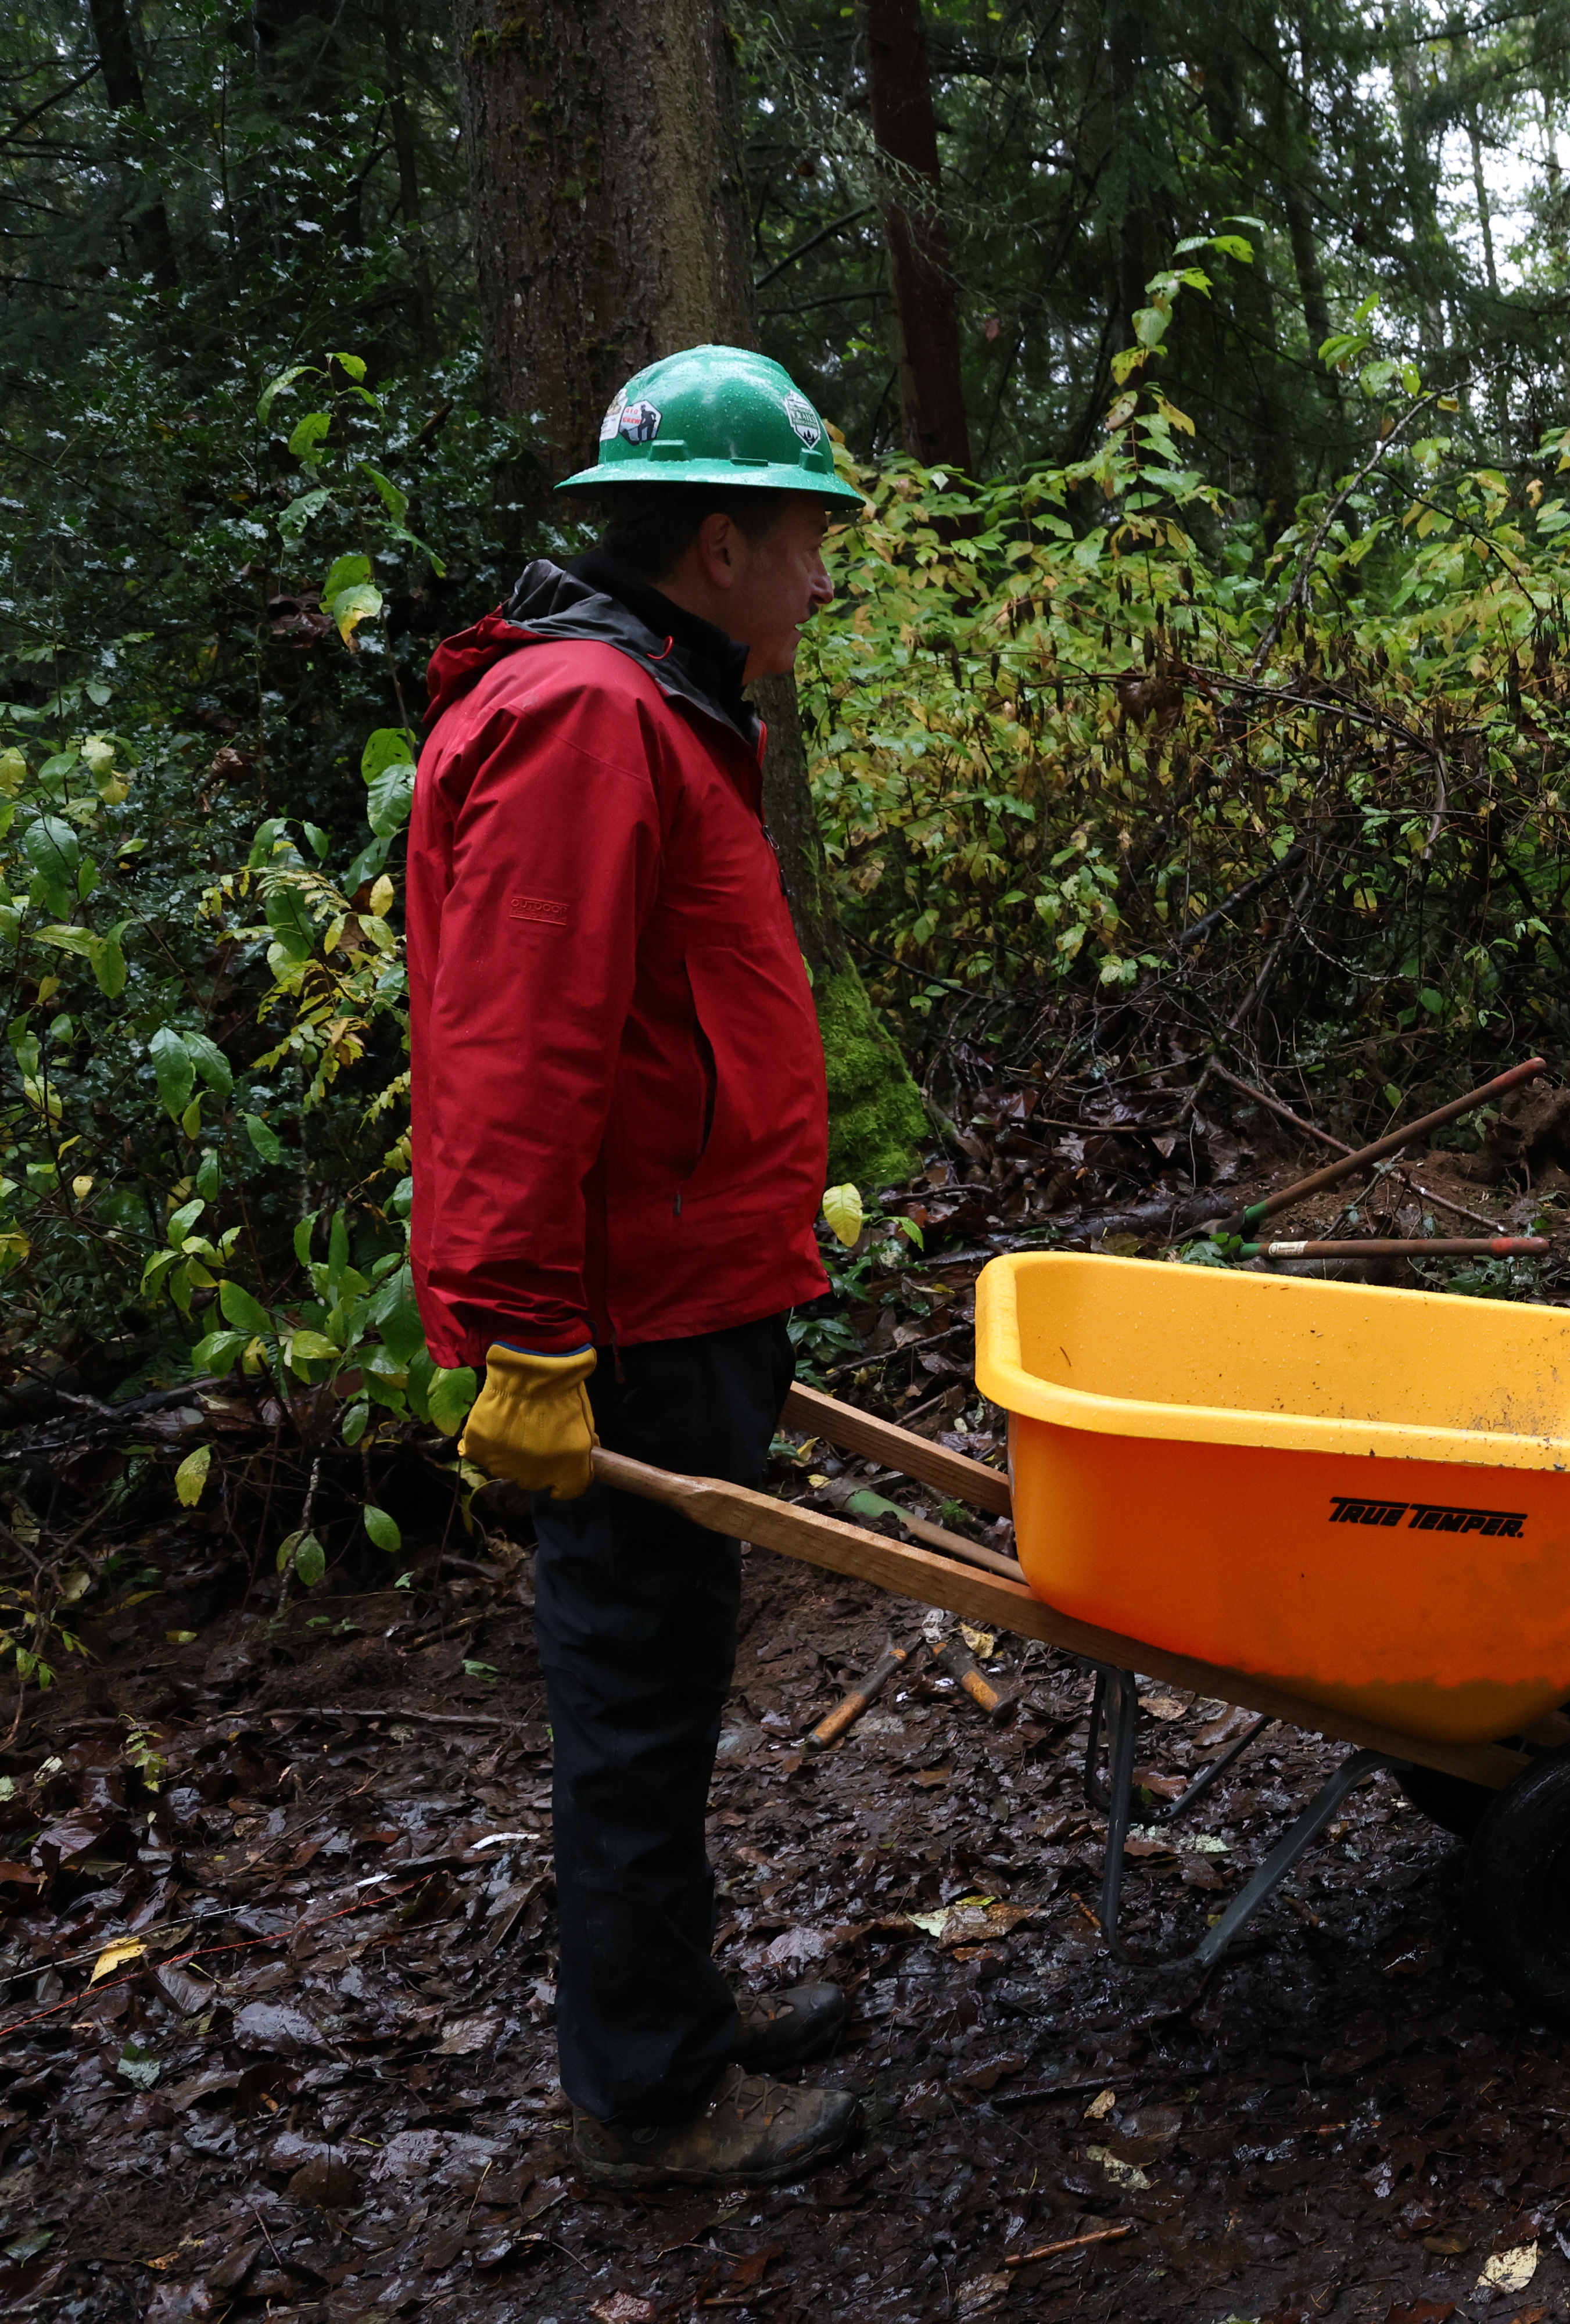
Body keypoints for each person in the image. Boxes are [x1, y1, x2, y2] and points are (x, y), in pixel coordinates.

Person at [412, 345, 867, 2190]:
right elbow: (518, 1052)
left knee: (663, 1686)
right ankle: (652, 2098)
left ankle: (669, 2013)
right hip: (623, 1316)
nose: (825, 579)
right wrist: (524, 1336)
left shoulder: (649, 702)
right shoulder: (590, 720)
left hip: (691, 1288)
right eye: (807, 541)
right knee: (632, 1702)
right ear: (715, 539)